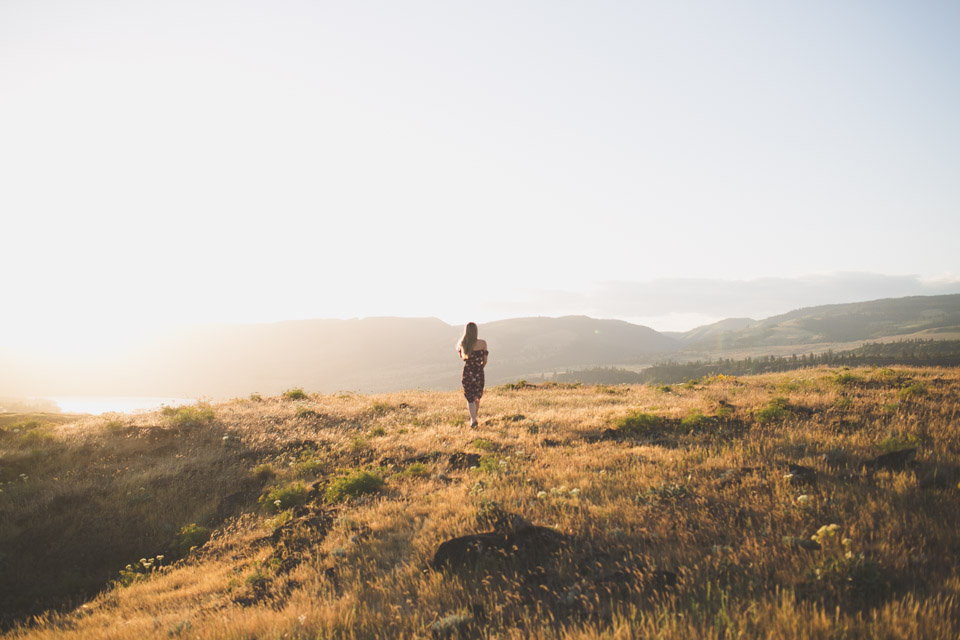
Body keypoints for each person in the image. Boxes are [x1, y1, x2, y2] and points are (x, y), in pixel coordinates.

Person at [457, 322, 488, 428]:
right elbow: (485, 360)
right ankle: (474, 418)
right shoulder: (483, 343)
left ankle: (473, 419)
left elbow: (462, 358)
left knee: (469, 397)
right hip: (479, 371)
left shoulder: (463, 343)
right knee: (476, 396)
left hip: (468, 371)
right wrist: (479, 368)